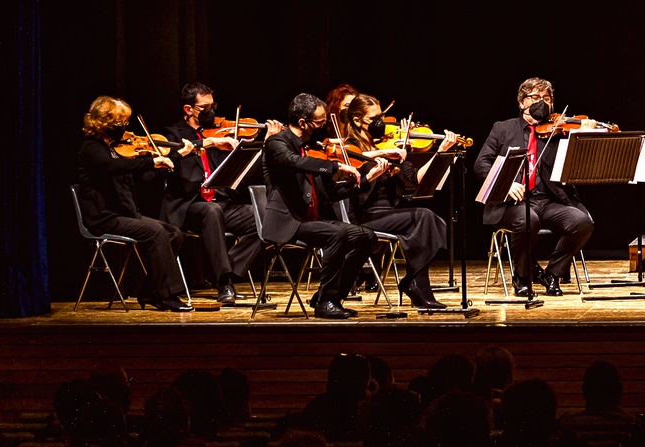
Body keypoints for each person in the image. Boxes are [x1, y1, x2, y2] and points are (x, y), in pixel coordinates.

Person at [160, 82, 281, 306]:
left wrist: (262, 144)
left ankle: (230, 272)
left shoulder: (221, 133)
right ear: (189, 110)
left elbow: (247, 175)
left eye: (213, 105)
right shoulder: (174, 133)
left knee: (263, 215)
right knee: (211, 210)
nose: (212, 112)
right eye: (205, 107)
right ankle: (223, 280)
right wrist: (207, 142)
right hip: (189, 207)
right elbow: (173, 151)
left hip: (221, 204)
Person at [474, 77, 595, 297]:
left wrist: (583, 137)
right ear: (522, 102)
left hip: (549, 201)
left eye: (547, 98)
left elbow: (578, 168)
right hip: (511, 203)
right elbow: (481, 164)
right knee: (529, 219)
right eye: (535, 97)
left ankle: (552, 273)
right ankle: (522, 276)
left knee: (581, 222)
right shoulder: (502, 129)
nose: (542, 102)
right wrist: (506, 184)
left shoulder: (558, 131)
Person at [260, 93, 375, 319]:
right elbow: (293, 162)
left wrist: (367, 179)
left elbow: (332, 194)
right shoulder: (277, 144)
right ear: (303, 122)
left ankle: (329, 296)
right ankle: (326, 302)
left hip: (312, 222)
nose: (324, 126)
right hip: (288, 223)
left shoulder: (311, 147)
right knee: (337, 233)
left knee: (366, 237)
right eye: (320, 122)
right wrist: (335, 167)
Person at [336, 94, 457, 309]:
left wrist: (441, 152)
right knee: (424, 217)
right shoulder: (352, 147)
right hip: (365, 216)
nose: (380, 122)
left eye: (381, 116)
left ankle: (416, 285)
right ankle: (415, 286)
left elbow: (416, 178)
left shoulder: (389, 142)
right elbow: (352, 164)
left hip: (389, 214)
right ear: (356, 120)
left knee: (427, 219)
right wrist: (380, 154)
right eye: (374, 118)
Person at [75, 95, 191, 311]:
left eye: (125, 123)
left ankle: (150, 293)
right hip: (104, 217)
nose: (124, 128)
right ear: (102, 122)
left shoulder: (119, 149)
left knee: (175, 233)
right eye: (119, 123)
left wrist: (170, 160)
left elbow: (142, 178)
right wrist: (149, 161)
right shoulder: (92, 149)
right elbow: (111, 167)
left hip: (125, 213)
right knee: (156, 232)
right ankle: (168, 294)